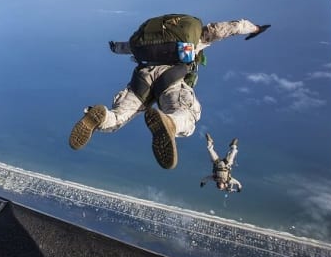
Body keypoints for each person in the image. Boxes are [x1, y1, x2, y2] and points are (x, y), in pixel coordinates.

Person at [69, 14, 270, 170]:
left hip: (142, 76)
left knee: (118, 118)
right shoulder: (199, 36)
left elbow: (127, 48)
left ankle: (102, 116)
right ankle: (171, 123)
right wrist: (255, 28)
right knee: (188, 116)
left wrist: (114, 48)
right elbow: (231, 28)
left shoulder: (150, 41)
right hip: (171, 77)